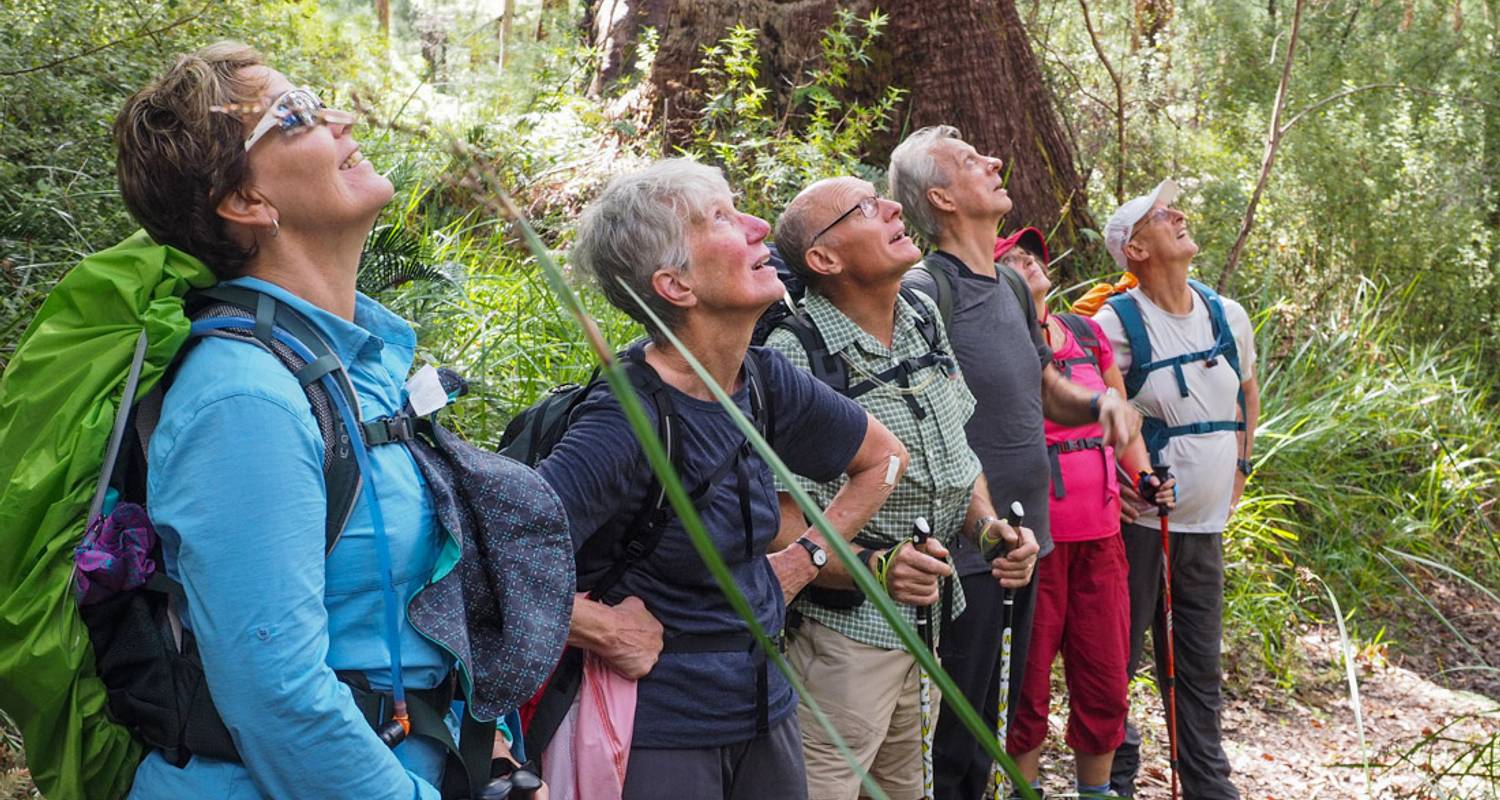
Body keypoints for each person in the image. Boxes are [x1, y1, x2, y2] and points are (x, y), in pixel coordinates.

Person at [113, 43, 534, 798]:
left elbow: (410, 607)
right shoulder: (244, 399)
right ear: (246, 202)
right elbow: (277, 697)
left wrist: (488, 749)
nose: (340, 118)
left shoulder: (354, 364)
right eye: (297, 116)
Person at [537, 158, 908, 800]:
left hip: (767, 710)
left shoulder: (764, 380)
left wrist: (805, 560)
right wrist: (598, 626)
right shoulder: (626, 422)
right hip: (656, 731)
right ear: (675, 285)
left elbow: (884, 460)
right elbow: (494, 561)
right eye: (723, 218)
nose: (759, 225)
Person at [888, 124, 1141, 800]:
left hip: (1032, 541)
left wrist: (1097, 408)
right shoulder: (923, 292)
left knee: (999, 720)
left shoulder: (1006, 284)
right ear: (941, 198)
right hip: (968, 549)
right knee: (959, 728)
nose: (995, 160)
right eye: (972, 161)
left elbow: (1040, 386)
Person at [767, 176, 1040, 800]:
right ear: (823, 259)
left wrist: (988, 529)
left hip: (927, 627)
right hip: (842, 642)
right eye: (864, 208)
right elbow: (775, 520)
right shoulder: (795, 356)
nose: (891, 206)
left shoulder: (920, 317)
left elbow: (956, 454)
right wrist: (875, 567)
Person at [1093, 180, 1261, 800]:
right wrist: (1119, 481)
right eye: (1161, 215)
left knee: (1198, 663)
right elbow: (1096, 410)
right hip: (1137, 528)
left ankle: (1208, 785)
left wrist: (1240, 472)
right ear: (1135, 248)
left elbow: (1246, 395)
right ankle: (1112, 776)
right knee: (1118, 661)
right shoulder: (1118, 322)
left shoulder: (1226, 314)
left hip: (1205, 525)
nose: (1178, 214)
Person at [996, 230, 1173, 798]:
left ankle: (1097, 794)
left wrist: (1141, 476)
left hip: (1102, 537)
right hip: (1035, 544)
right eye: (1011, 259)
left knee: (1104, 682)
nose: (1028, 262)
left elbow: (1120, 416)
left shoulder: (1084, 331)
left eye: (1031, 255)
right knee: (1027, 689)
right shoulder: (997, 341)